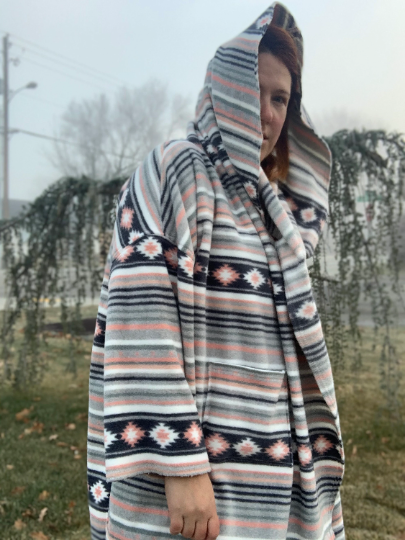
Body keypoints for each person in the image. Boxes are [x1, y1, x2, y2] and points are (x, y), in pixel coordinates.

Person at [87, 3, 345, 539]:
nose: (268, 113)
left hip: (270, 475)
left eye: (281, 99)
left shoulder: (274, 211)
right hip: (196, 481)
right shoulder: (176, 169)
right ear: (223, 89)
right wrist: (180, 467)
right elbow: (141, 315)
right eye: (256, 90)